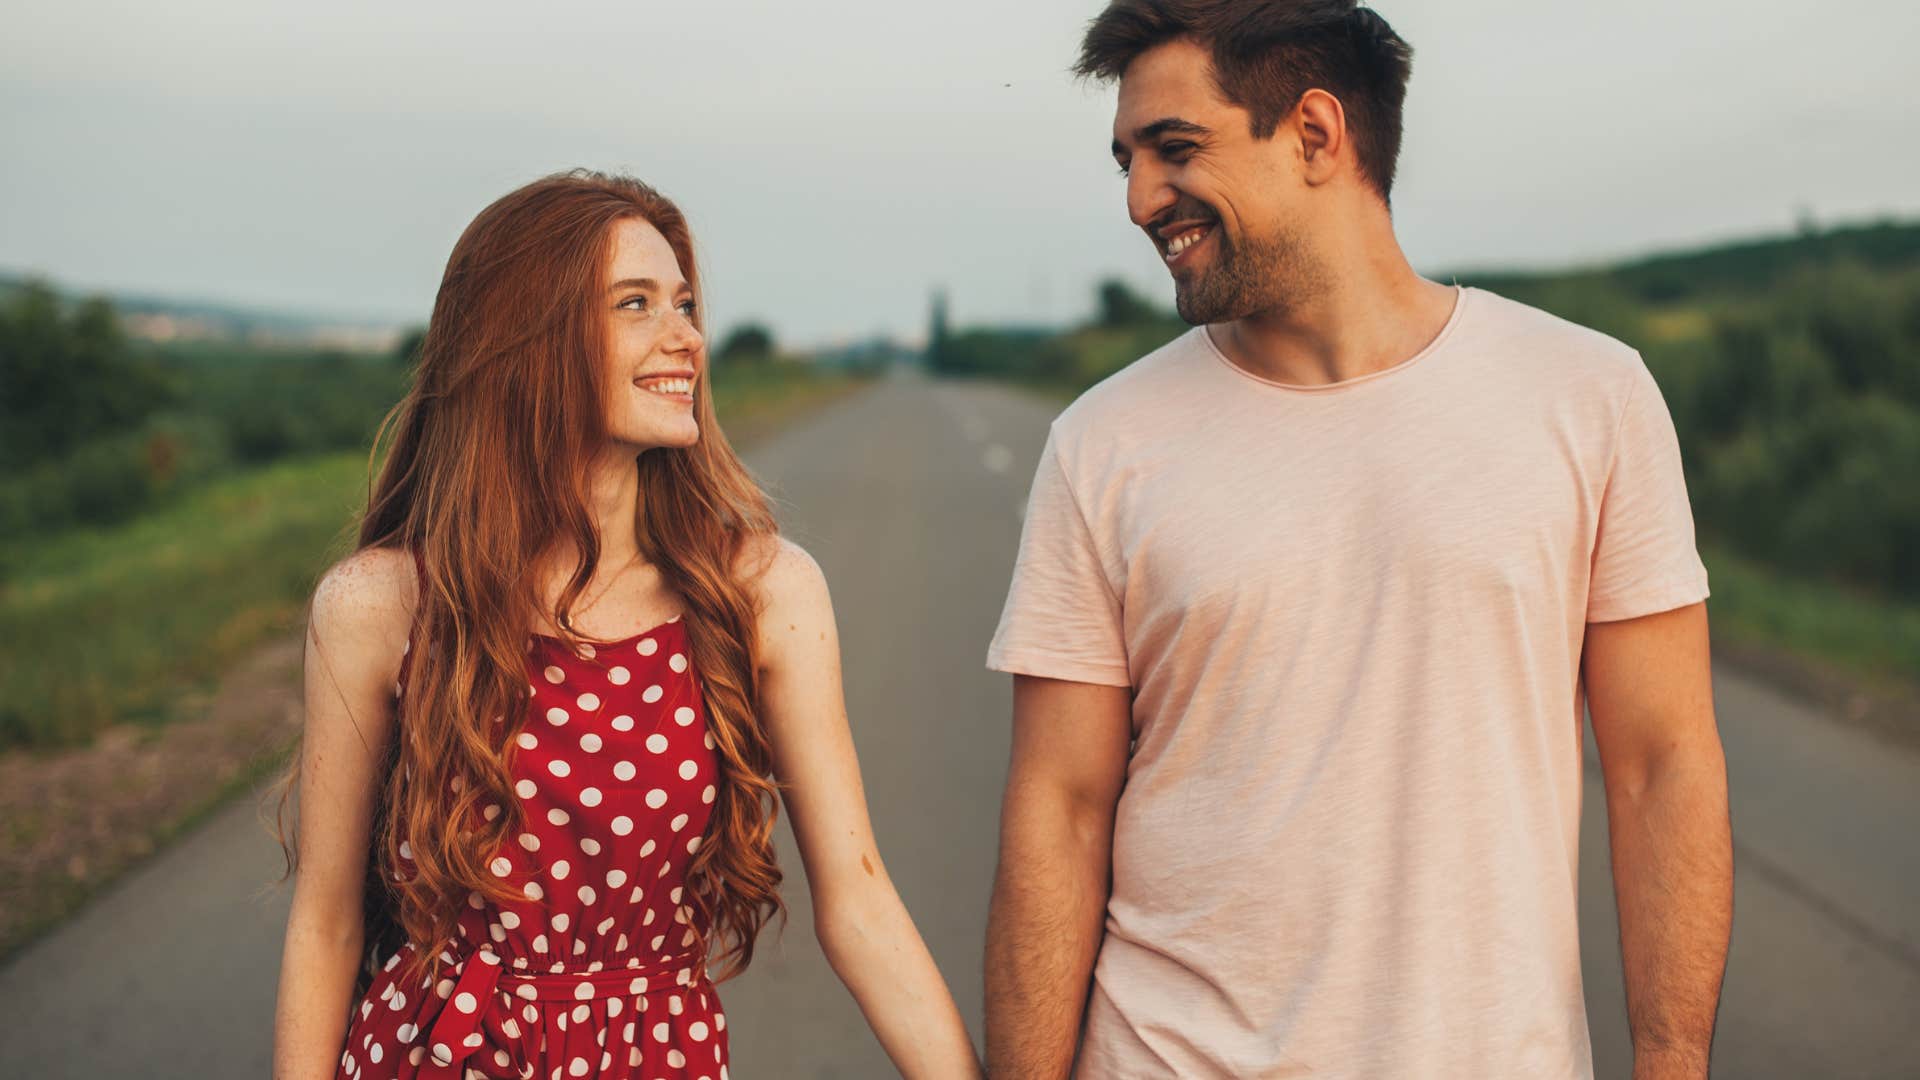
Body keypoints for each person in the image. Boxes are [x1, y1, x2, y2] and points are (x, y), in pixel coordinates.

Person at [982, 3, 1732, 1078]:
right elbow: (1059, 811)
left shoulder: (1587, 396)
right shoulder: (1101, 443)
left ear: (1317, 135)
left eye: (1176, 149)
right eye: (1127, 163)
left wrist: (1672, 1064)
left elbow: (1662, 768)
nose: (1144, 200)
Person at [269, 170, 981, 1080]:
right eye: (636, 304)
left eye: (684, 303)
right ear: (525, 338)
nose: (686, 336)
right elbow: (327, 924)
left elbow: (860, 900)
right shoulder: (378, 604)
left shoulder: (759, 593)